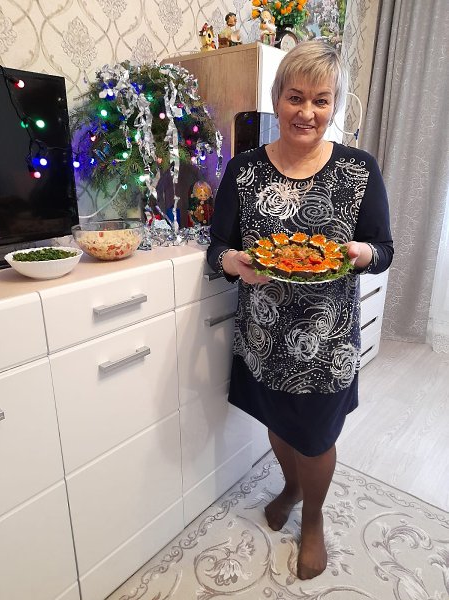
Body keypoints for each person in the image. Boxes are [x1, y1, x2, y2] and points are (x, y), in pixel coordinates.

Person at [207, 40, 393, 580]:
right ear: (277, 99)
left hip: (326, 343)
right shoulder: (244, 171)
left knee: (316, 438)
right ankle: (289, 487)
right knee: (278, 424)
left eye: (320, 99)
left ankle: (313, 518)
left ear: (334, 104)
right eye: (295, 97)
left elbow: (383, 250)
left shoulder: (358, 170)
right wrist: (235, 263)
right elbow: (217, 248)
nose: (306, 112)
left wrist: (362, 253)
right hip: (263, 337)